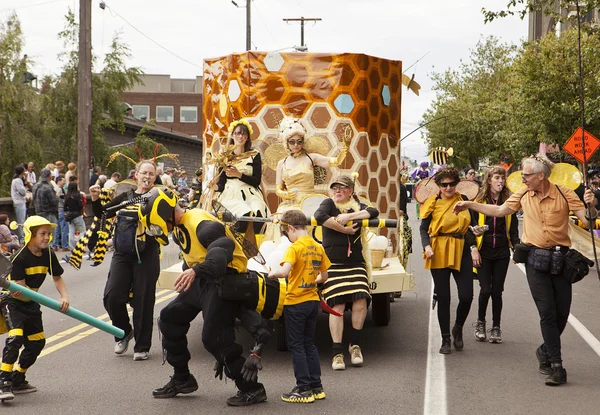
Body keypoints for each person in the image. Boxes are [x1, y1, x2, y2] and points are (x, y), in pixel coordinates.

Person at [454, 154, 596, 386]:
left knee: (562, 314)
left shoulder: (564, 192)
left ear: (541, 176)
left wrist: (591, 205)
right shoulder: (522, 194)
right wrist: (469, 204)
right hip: (534, 260)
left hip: (561, 259)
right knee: (547, 313)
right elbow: (499, 211)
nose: (523, 178)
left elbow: (588, 222)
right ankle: (556, 366)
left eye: (527, 175)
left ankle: (544, 349)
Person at [140, 189, 268, 406]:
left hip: (224, 282)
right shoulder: (179, 226)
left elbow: (219, 259)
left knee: (213, 339)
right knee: (169, 318)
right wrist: (191, 271)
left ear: (164, 214)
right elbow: (194, 255)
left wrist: (195, 271)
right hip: (203, 280)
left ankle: (252, 389)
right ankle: (182, 379)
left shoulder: (202, 225)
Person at [90, 160, 160, 361]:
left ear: (155, 177)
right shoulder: (126, 197)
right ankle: (123, 332)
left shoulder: (159, 197)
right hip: (122, 253)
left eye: (151, 174)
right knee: (111, 297)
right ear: (136, 175)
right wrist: (95, 198)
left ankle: (142, 345)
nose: (147, 176)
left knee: (143, 299)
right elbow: (102, 214)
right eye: (144, 172)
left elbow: (172, 220)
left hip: (147, 253)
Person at [0, 216, 69, 401]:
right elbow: (20, 291)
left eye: (49, 233)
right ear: (31, 234)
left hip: (31, 302)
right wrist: (29, 295)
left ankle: (18, 378)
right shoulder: (19, 257)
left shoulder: (48, 254)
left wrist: (64, 297)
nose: (47, 237)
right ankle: (3, 382)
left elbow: (57, 277)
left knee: (37, 343)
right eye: (42, 234)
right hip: (13, 302)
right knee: (16, 337)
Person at [314, 175, 378, 370]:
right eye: (335, 188)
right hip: (332, 263)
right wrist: (344, 230)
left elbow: (373, 212)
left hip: (356, 262)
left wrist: (349, 216)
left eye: (342, 188)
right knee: (338, 304)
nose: (337, 191)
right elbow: (319, 217)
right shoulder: (327, 204)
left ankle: (355, 345)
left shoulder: (358, 204)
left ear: (351, 190)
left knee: (360, 299)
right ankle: (337, 353)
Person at [268, 209, 330, 403]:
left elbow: (284, 272)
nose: (288, 236)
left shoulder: (294, 248)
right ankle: (316, 386)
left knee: (296, 346)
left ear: (291, 228)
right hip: (312, 300)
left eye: (287, 233)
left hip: (295, 302)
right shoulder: (318, 247)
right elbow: (325, 277)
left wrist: (272, 273)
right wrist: (311, 281)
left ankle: (302, 388)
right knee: (308, 343)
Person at [420, 166, 477, 354]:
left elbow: (472, 227)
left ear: (457, 183)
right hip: (439, 250)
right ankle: (445, 338)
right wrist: (426, 246)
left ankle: (458, 328)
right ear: (438, 185)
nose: (448, 188)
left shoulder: (464, 201)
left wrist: (475, 245)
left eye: (452, 184)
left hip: (461, 249)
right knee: (444, 297)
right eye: (444, 185)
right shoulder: (432, 202)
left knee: (467, 296)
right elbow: (423, 229)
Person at [471, 166, 519, 344]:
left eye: (502, 178)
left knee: (497, 292)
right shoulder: (479, 201)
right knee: (485, 290)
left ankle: (496, 327)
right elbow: (469, 227)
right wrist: (473, 247)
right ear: (489, 180)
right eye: (497, 178)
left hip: (501, 252)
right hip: (483, 251)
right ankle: (481, 323)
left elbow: (513, 231)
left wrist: (517, 249)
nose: (500, 181)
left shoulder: (509, 202)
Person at [275, 117, 347, 214]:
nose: (296, 145)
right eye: (292, 142)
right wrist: (285, 194)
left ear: (303, 142)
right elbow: (278, 189)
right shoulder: (282, 163)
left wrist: (344, 149)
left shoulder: (311, 158)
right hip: (290, 204)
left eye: (299, 141)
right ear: (287, 143)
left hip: (309, 202)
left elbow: (336, 161)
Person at [217, 119, 269, 235]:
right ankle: (239, 248)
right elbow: (221, 183)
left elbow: (256, 181)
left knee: (259, 211)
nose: (240, 137)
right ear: (232, 136)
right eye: (237, 133)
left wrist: (239, 175)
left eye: (243, 134)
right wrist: (214, 187)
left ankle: (261, 248)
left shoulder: (254, 154)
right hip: (231, 194)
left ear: (247, 137)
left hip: (251, 193)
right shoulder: (225, 156)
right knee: (243, 213)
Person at [31, 169, 59, 249]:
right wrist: (57, 195)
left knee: (41, 234)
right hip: (48, 213)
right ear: (49, 176)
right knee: (50, 234)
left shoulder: (35, 186)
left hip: (38, 213)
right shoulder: (48, 187)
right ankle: (48, 250)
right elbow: (54, 201)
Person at [64, 182, 86, 251]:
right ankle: (79, 244)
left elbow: (65, 207)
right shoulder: (77, 195)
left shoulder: (67, 196)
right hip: (77, 215)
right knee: (83, 231)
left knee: (71, 232)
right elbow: (80, 205)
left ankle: (72, 247)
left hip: (70, 215)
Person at [11, 166, 28, 243]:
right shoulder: (18, 180)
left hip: (19, 202)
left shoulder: (17, 180)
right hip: (19, 202)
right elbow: (23, 191)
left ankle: (22, 237)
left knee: (21, 220)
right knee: (21, 221)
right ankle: (22, 238)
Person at [52, 175, 69, 252]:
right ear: (59, 181)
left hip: (57, 210)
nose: (64, 182)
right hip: (62, 209)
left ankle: (55, 245)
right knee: (64, 228)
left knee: (57, 228)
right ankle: (64, 245)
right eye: (63, 180)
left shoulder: (56, 188)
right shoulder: (59, 189)